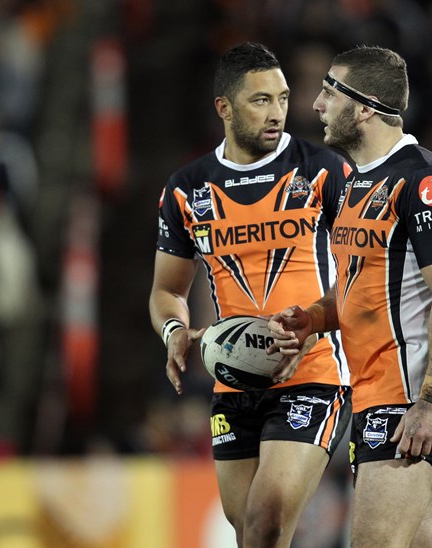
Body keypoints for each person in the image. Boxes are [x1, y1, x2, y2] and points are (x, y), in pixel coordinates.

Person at [268, 46, 432, 547]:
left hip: (409, 394)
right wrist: (314, 318)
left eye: (328, 92)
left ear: (364, 106)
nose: (316, 104)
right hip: (377, 391)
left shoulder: (423, 182)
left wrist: (431, 401)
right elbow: (364, 289)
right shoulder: (356, 183)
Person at [149, 42, 352, 548]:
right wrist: (174, 330)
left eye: (283, 99)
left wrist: (311, 326)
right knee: (252, 536)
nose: (277, 113)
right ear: (225, 107)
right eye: (261, 100)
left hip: (314, 373)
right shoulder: (186, 190)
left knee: (265, 518)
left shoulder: (325, 172)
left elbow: (364, 280)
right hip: (234, 377)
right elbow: (167, 290)